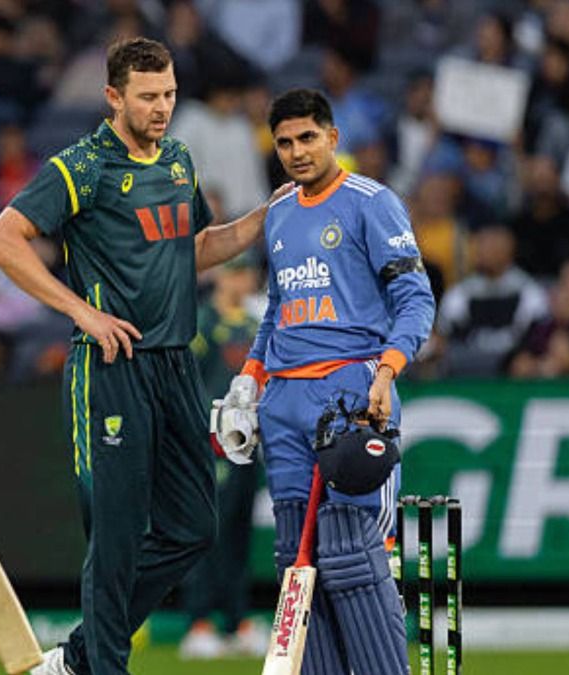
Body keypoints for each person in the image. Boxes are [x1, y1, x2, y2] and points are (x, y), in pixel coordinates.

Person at [0, 37, 288, 675]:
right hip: (111, 368)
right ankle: (100, 665)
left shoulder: (177, 160)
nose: (163, 107)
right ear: (114, 96)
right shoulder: (82, 165)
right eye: (149, 96)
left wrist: (264, 218)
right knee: (117, 538)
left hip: (176, 366)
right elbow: (0, 239)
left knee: (194, 526)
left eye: (170, 94)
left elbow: (195, 249)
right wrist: (80, 311)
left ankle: (77, 656)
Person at [215, 88, 435, 674]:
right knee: (296, 560)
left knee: (352, 559)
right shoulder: (280, 211)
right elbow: (277, 309)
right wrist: (248, 381)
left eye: (307, 137)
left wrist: (386, 372)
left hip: (349, 393)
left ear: (332, 137)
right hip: (283, 398)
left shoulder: (372, 201)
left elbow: (416, 298)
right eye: (284, 142)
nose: (296, 151)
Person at [178, 252, 268, 660]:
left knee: (237, 535)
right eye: (241, 272)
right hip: (207, 443)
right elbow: (183, 381)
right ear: (224, 277)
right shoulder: (200, 322)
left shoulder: (254, 326)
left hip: (246, 444)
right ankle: (199, 622)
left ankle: (236, 621)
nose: (247, 280)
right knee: (206, 534)